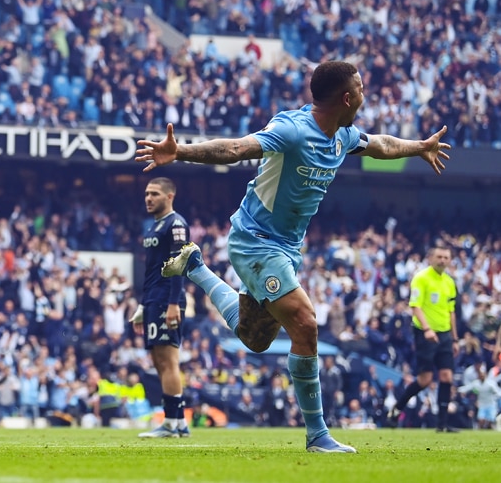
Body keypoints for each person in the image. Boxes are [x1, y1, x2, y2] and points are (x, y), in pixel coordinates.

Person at [136, 60, 451, 453]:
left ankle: (196, 268)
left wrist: (419, 147)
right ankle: (318, 434)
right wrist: (180, 151)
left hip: (285, 248)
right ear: (348, 97)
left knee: (254, 337)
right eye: (362, 89)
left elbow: (382, 145)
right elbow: (236, 148)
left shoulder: (342, 135)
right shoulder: (292, 129)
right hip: (255, 240)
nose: (366, 96)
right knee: (305, 323)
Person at [130, 177, 191, 438]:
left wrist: (173, 303)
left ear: (169, 196)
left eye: (154, 194)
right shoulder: (154, 226)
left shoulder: (176, 224)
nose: (148, 198)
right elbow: (151, 271)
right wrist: (144, 305)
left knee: (168, 361)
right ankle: (178, 422)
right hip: (154, 300)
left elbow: (178, 266)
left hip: (167, 299)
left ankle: (172, 423)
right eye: (146, 194)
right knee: (159, 361)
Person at [392, 245, 459, 432]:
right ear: (431, 258)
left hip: (445, 333)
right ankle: (397, 409)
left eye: (446, 257)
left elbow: (451, 311)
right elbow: (415, 306)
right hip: (424, 333)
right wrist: (428, 329)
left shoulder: (449, 282)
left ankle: (442, 424)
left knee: (447, 376)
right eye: (439, 256)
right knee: (425, 380)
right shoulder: (421, 278)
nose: (443, 260)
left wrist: (455, 339)